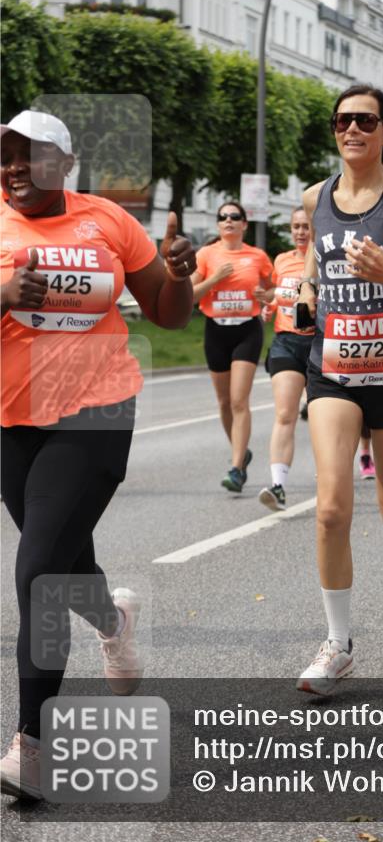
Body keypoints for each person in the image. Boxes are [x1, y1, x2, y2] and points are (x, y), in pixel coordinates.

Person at [0, 110, 195, 799]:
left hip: (97, 412)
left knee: (38, 574)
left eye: (31, 155)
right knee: (61, 559)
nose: (16, 167)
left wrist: (181, 276)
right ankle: (114, 620)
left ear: (66, 163)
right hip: (12, 420)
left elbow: (167, 312)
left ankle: (31, 746)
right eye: (7, 156)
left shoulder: (108, 221)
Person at [294, 84, 383, 695]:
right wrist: (305, 293)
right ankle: (338, 642)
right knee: (331, 508)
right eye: (342, 120)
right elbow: (313, 267)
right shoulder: (314, 197)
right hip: (332, 370)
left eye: (365, 120)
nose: (352, 129)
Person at [191, 202, 273, 493]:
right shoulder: (206, 254)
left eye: (235, 217)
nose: (228, 220)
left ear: (244, 224)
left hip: (246, 330)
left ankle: (237, 468)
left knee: (239, 401)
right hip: (216, 330)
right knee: (225, 402)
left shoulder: (257, 256)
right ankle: (240, 451)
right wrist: (215, 279)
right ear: (217, 224)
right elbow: (190, 294)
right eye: (223, 217)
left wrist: (266, 295)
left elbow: (274, 288)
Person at [258, 207, 313, 510]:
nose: (301, 232)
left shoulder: (325, 260)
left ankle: (334, 478)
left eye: (306, 226)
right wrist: (269, 305)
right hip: (286, 343)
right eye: (296, 226)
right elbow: (277, 293)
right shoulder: (281, 260)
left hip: (320, 344)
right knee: (284, 414)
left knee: (323, 418)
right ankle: (278, 486)